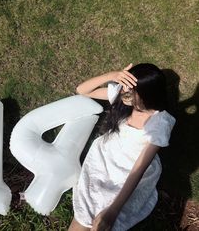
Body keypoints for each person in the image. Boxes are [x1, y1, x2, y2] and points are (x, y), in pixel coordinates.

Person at [68, 63, 176, 231]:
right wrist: (111, 75)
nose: (125, 93)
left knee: (106, 208)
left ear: (148, 94)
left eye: (131, 91)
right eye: (125, 87)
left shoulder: (160, 122)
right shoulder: (124, 98)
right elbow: (82, 90)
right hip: (107, 157)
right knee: (85, 214)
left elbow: (138, 169)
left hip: (131, 169)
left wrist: (112, 211)